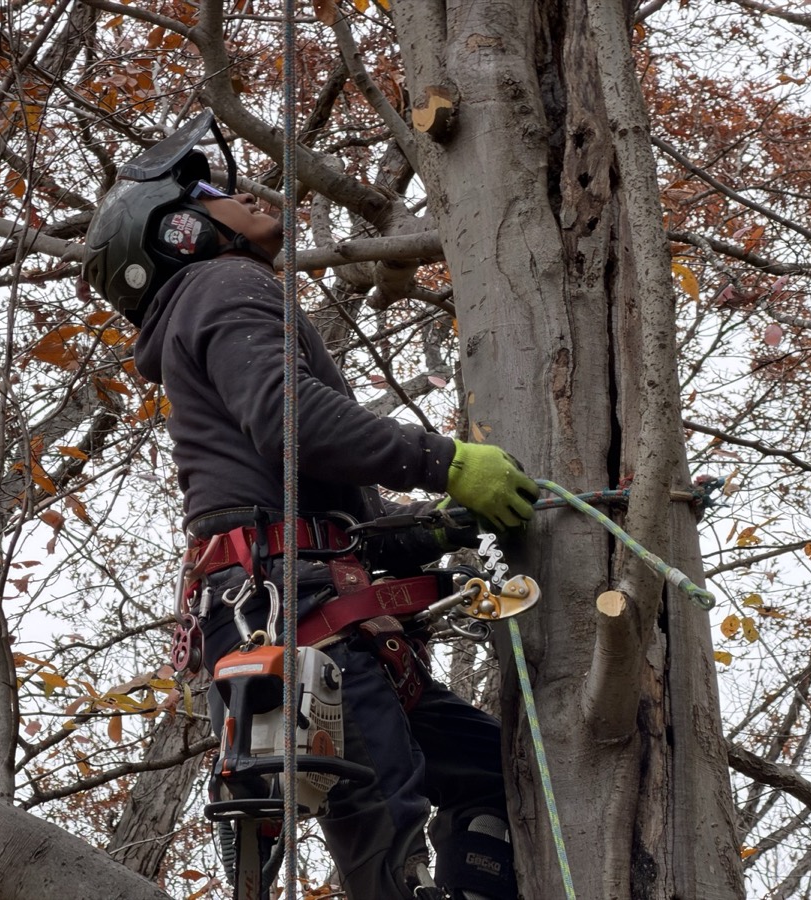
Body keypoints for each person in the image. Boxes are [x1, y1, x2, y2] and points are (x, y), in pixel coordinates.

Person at [83, 112, 538, 900]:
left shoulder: (211, 298)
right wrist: (446, 463)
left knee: (497, 778)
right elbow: (288, 418)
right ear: (179, 231)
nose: (245, 191)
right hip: (292, 608)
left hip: (312, 599)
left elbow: (326, 503)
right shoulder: (223, 283)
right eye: (212, 188)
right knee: (384, 834)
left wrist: (434, 527)